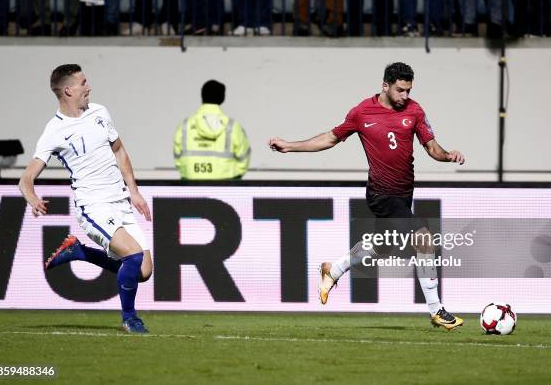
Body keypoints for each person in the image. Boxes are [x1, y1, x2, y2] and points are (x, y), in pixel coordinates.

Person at [268, 62, 465, 330]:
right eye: (400, 90)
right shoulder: (362, 112)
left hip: (404, 193)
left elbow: (431, 147)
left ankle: (333, 270)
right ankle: (437, 310)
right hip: (381, 193)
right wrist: (290, 146)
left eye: (408, 90)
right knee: (423, 238)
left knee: (382, 246)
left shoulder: (415, 110)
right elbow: (330, 138)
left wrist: (447, 155)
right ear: (385, 85)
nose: (405, 96)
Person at [18, 64, 153, 334]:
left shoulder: (100, 112)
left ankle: (79, 252)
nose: (89, 87)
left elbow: (120, 151)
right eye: (83, 82)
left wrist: (134, 191)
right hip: (93, 207)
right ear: (68, 90)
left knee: (143, 272)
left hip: (120, 202)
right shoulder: (54, 131)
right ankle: (130, 319)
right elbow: (26, 179)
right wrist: (32, 197)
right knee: (135, 256)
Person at [173, 80, 250, 179]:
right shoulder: (232, 127)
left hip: (191, 185)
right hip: (226, 185)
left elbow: (178, 159)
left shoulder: (184, 126)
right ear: (222, 98)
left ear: (202, 96)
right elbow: (244, 159)